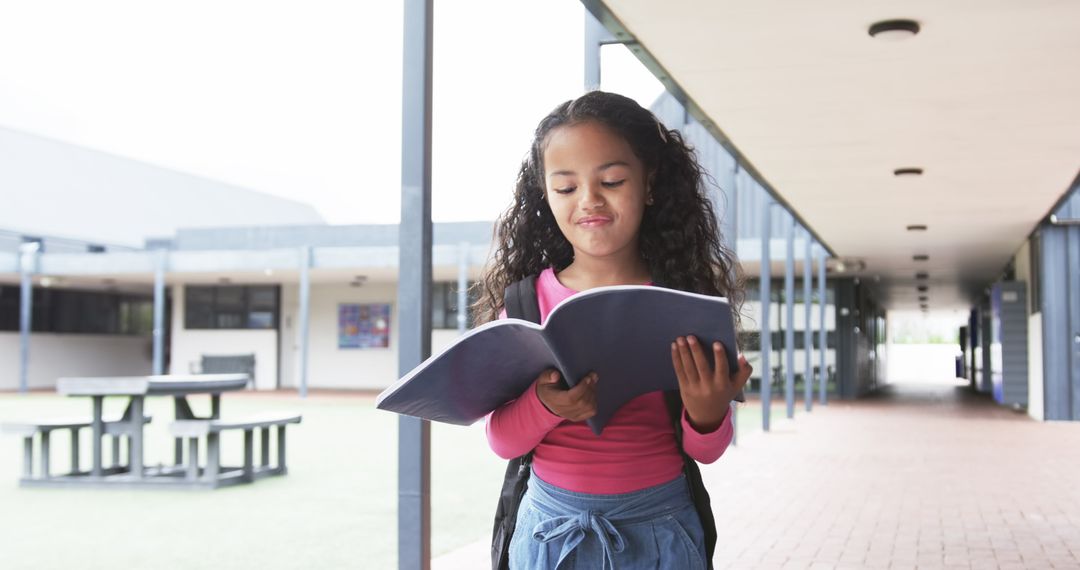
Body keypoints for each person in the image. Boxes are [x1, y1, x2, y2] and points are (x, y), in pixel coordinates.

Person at [474, 90, 753, 570]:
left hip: (660, 531)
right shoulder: (524, 304)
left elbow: (705, 452)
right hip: (549, 533)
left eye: (612, 179)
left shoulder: (683, 301)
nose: (589, 200)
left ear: (649, 184)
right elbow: (501, 441)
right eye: (565, 188)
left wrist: (706, 414)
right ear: (545, 194)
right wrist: (546, 406)